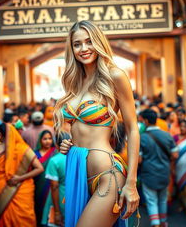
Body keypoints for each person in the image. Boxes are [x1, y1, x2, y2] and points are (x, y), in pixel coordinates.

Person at [54, 20, 140, 227]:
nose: (84, 48)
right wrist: (69, 143)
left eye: (89, 41)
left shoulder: (115, 75)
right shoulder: (75, 81)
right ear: (71, 48)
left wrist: (132, 183)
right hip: (78, 173)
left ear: (99, 42)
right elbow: (78, 129)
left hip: (108, 174)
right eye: (77, 44)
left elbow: (133, 129)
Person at [0, 123, 43, 227]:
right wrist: (20, 178)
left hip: (0, 188)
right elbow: (39, 168)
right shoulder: (24, 149)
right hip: (23, 188)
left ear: (0, 135)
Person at [139, 109, 178, 227]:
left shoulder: (142, 137)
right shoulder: (167, 135)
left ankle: (155, 223)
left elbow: (139, 160)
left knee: (151, 201)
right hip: (164, 173)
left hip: (148, 173)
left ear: (145, 121)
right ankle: (163, 222)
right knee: (162, 199)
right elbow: (175, 155)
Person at [41, 132, 70, 227]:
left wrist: (57, 212)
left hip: (59, 197)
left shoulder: (54, 160)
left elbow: (54, 186)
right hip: (73, 196)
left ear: (56, 144)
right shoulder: (76, 158)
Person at [34, 130, 57, 226]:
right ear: (40, 140)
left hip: (51, 185)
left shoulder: (55, 152)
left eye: (50, 138)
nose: (48, 141)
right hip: (37, 185)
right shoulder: (34, 153)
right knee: (37, 207)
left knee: (48, 207)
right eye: (45, 139)